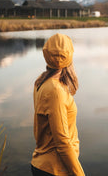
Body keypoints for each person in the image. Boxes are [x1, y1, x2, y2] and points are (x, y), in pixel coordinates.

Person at [31, 33, 85, 176]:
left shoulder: (40, 82)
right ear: (69, 56)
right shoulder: (56, 91)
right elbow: (62, 142)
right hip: (55, 169)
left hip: (43, 165)